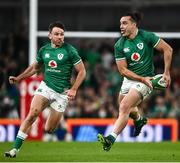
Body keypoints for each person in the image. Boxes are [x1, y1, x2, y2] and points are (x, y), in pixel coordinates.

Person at [4, 21, 86, 158]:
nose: (60, 37)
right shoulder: (44, 50)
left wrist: (74, 89)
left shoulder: (70, 50)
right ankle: (14, 150)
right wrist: (19, 78)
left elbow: (82, 71)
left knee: (49, 129)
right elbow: (34, 69)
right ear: (50, 35)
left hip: (62, 93)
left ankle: (51, 131)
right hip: (46, 86)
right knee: (32, 114)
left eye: (62, 34)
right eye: (57, 34)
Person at [97, 11, 172, 151]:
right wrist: (139, 78)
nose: (121, 26)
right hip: (129, 79)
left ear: (134, 24)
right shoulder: (119, 45)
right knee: (124, 107)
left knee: (124, 106)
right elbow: (123, 71)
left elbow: (168, 49)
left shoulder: (146, 36)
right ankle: (138, 120)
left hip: (146, 80)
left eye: (125, 23)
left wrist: (166, 73)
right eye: (120, 24)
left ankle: (110, 139)